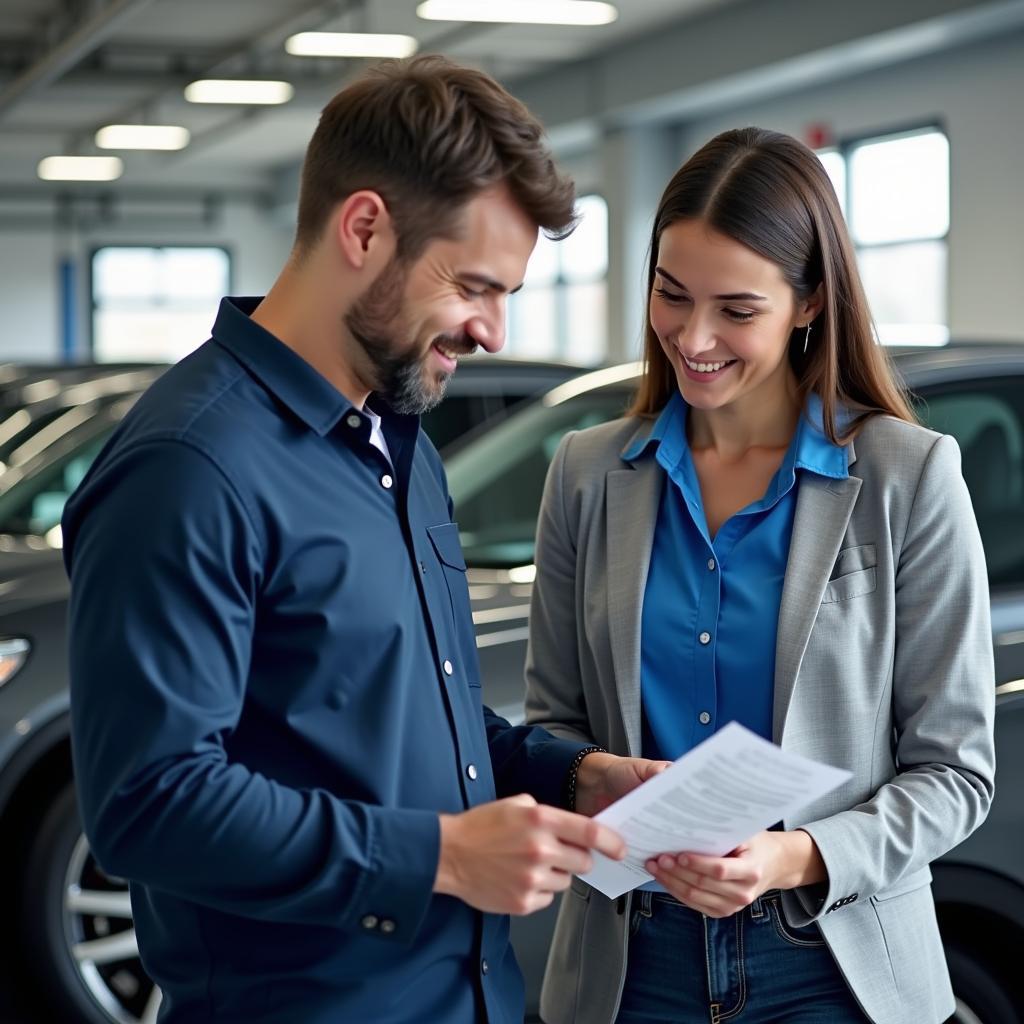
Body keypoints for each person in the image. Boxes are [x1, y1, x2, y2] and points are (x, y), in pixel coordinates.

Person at [63, 55, 667, 1024]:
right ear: (363, 228)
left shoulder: (401, 444)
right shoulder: (189, 465)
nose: (494, 331)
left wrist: (574, 775)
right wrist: (439, 856)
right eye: (475, 284)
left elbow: (407, 730)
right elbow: (152, 803)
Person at [524, 126, 995, 1024]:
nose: (692, 337)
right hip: (629, 962)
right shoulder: (586, 473)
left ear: (809, 302)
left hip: (833, 962)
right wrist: (593, 775)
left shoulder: (908, 474)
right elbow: (552, 723)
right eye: (671, 295)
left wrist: (792, 856)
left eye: (736, 310)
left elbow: (956, 775)